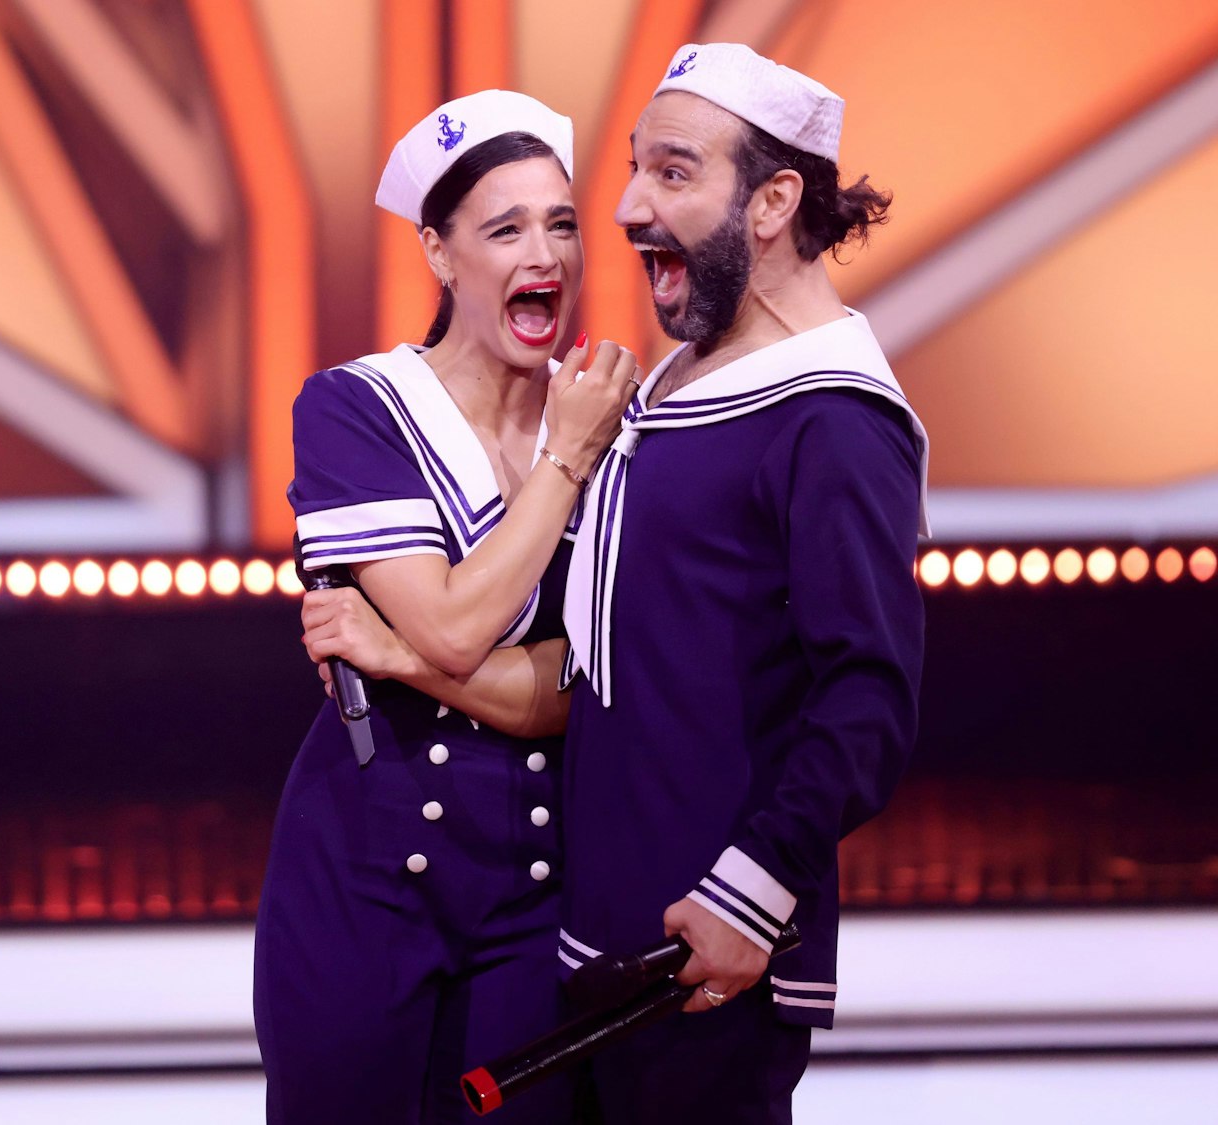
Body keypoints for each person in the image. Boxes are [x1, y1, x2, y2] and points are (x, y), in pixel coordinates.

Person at [304, 45, 929, 1123]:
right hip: (591, 951)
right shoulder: (673, 384)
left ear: (774, 199)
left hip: (700, 959)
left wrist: (755, 891)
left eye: (674, 174)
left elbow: (867, 698)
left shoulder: (832, 415)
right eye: (635, 171)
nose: (629, 208)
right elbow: (602, 673)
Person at [255, 89, 640, 1124]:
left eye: (560, 223)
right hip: (366, 872)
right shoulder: (357, 406)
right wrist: (567, 459)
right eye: (503, 228)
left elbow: (579, 691)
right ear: (437, 252)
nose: (542, 253)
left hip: (540, 877)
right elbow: (461, 627)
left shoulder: (618, 423)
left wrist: (395, 653)